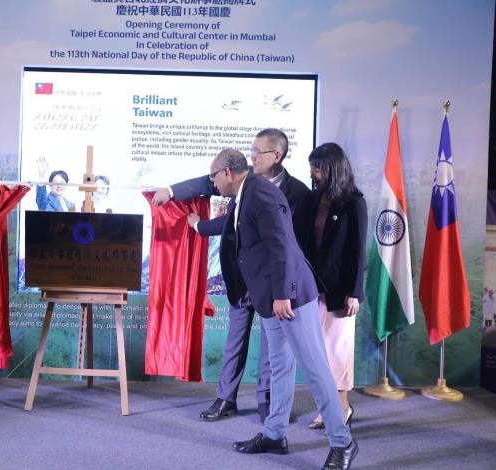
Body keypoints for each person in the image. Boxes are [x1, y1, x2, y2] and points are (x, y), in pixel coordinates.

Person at [205, 149, 357, 469]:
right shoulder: (244, 192)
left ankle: (343, 442)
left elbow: (283, 244)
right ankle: (275, 434)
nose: (212, 182)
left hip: (289, 298)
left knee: (315, 370)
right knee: (280, 366)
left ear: (228, 172)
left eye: (213, 176)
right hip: (270, 296)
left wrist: (283, 293)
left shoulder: (261, 193)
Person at [152, 128, 309, 422]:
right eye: (250, 153)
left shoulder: (297, 192)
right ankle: (226, 399)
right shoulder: (241, 180)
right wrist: (171, 193)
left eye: (256, 153)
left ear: (276, 155)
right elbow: (212, 190)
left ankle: (268, 402)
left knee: (271, 345)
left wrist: (287, 288)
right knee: (234, 340)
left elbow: (291, 245)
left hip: (272, 283)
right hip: (240, 278)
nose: (251, 158)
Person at [293, 143, 367, 430]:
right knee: (317, 352)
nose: (313, 172)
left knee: (337, 351)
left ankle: (340, 408)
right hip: (312, 289)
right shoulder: (311, 200)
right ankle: (331, 407)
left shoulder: (353, 202)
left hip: (340, 292)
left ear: (333, 169)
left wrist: (355, 293)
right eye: (312, 166)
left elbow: (357, 252)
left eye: (317, 167)